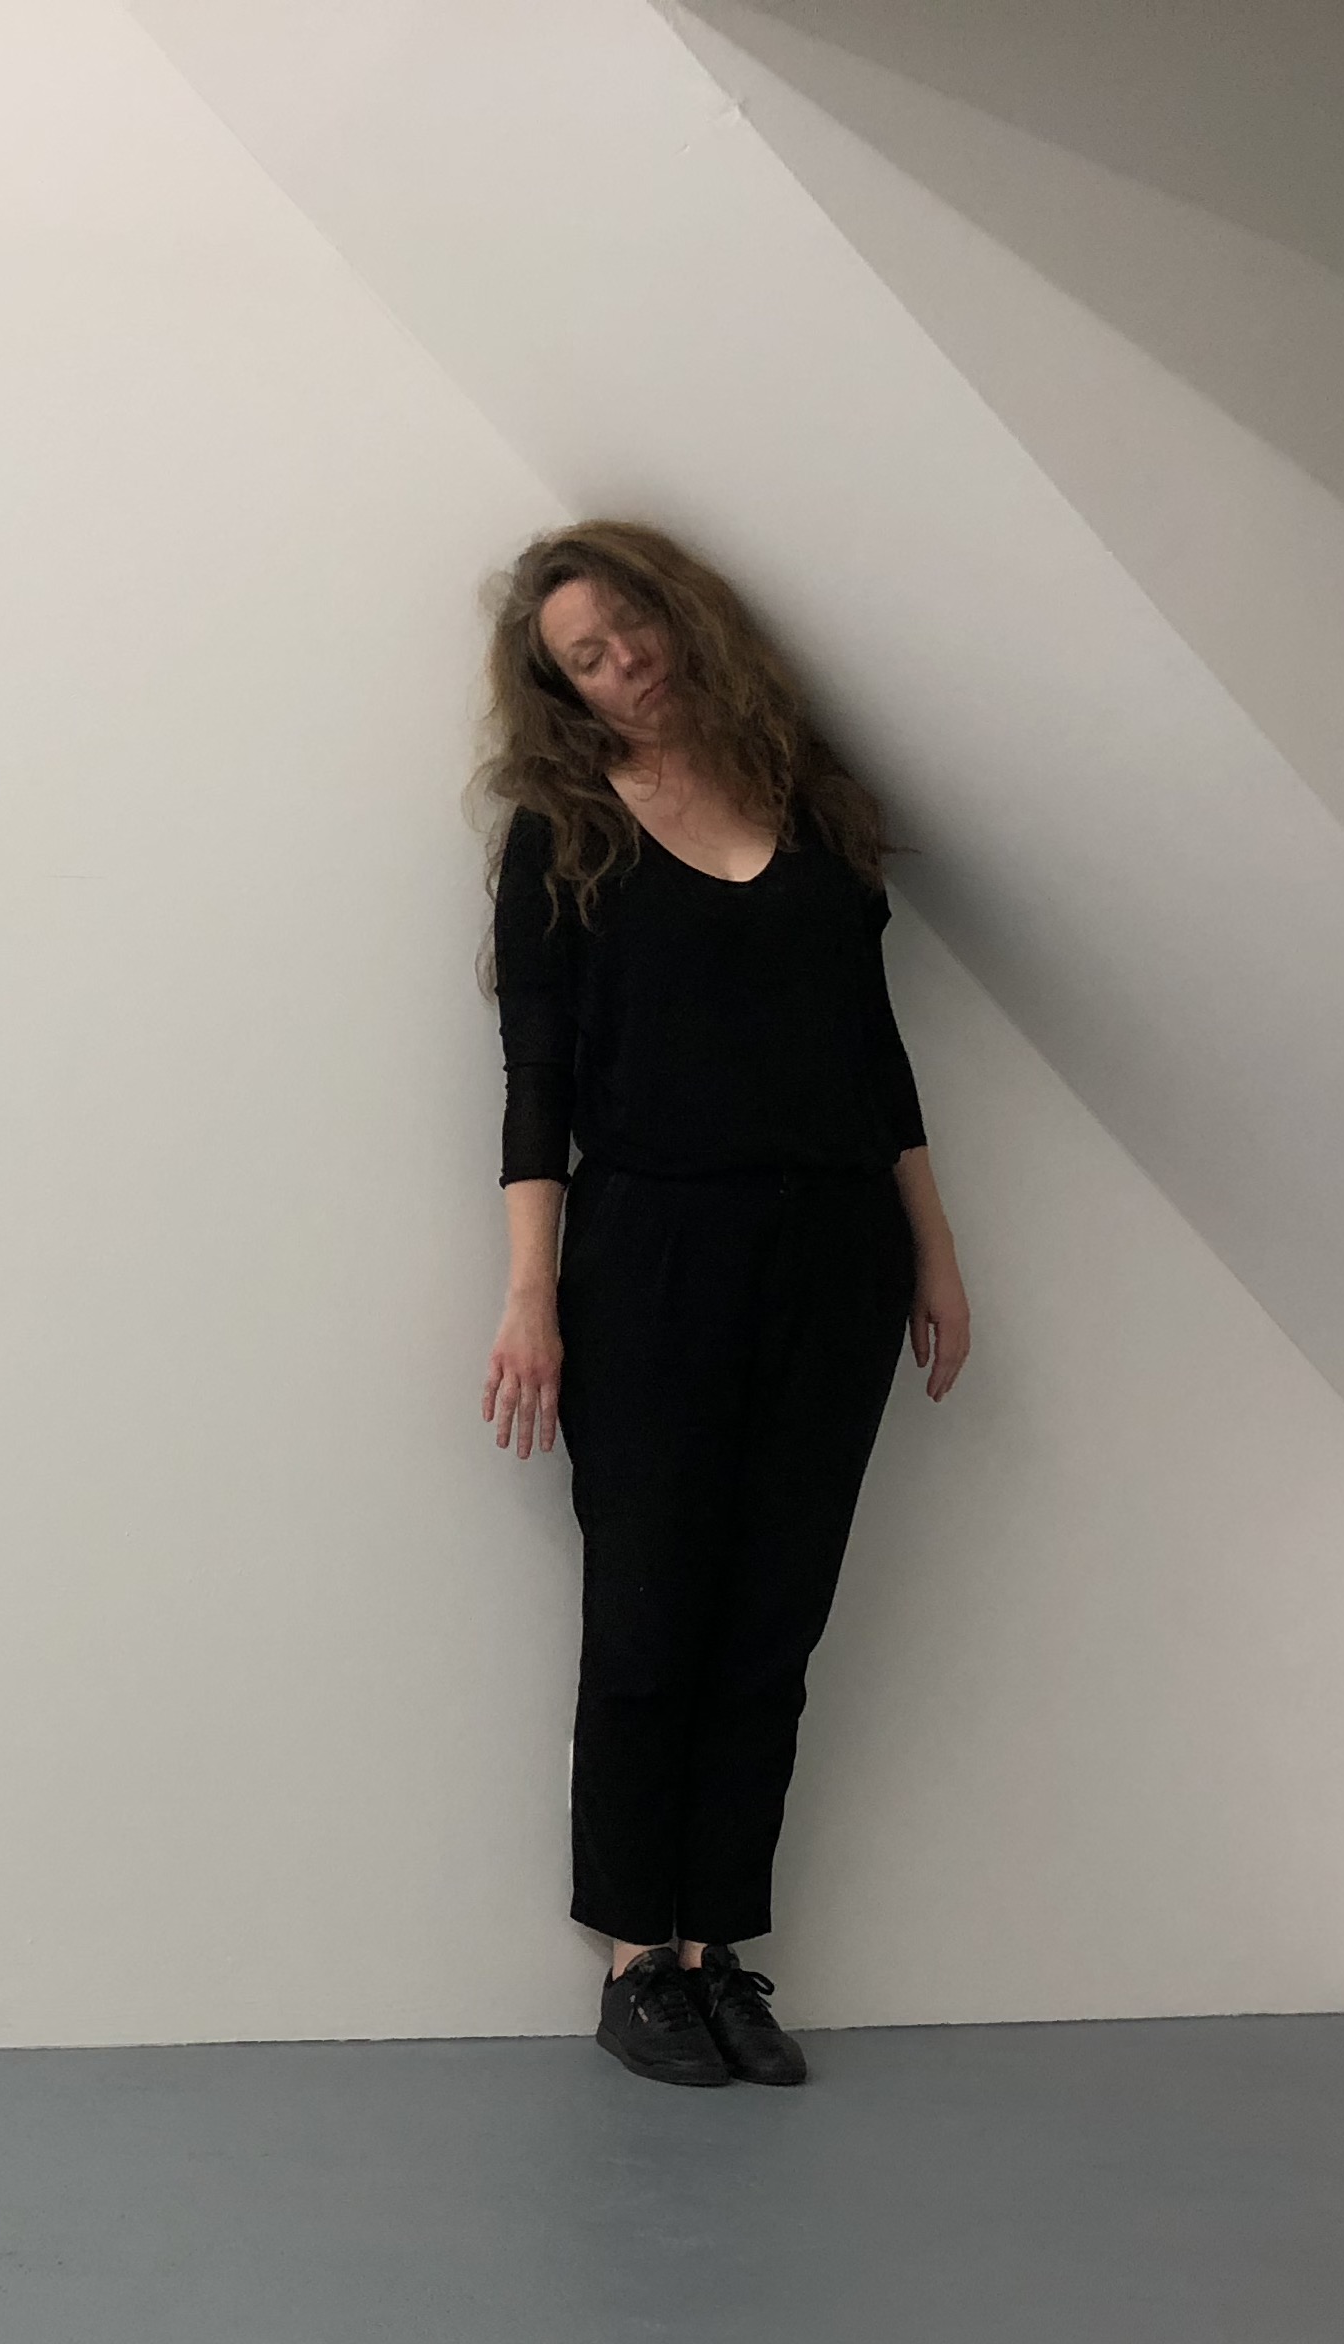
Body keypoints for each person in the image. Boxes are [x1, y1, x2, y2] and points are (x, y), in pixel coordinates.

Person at [472, 521, 971, 2090]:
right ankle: (638, 1959)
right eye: (587, 657)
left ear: (683, 616)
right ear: (562, 690)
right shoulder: (562, 837)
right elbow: (537, 1082)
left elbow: (872, 1051)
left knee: (773, 1621)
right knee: (648, 1616)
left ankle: (720, 1953)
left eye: (634, 627)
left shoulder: (812, 804)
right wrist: (531, 1296)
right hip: (652, 1255)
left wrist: (934, 1249)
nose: (627, 664)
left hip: (834, 1254)